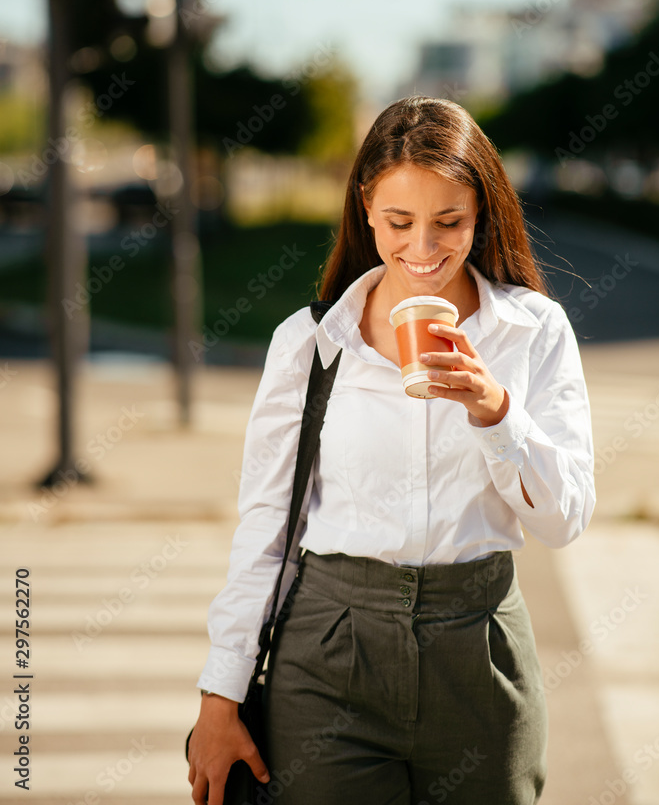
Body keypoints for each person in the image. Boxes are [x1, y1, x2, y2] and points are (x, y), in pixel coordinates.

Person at [187, 96, 595, 805]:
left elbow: (562, 521)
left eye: (449, 223)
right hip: (329, 649)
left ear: (482, 213)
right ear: (366, 210)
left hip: (480, 649)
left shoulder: (532, 330)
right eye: (399, 222)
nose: (423, 249)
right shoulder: (309, 343)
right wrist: (219, 696)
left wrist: (495, 411)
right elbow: (265, 525)